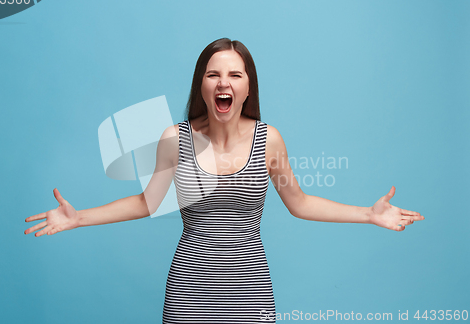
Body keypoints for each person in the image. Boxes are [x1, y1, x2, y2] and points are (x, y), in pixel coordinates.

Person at [24, 38, 425, 323]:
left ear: (248, 86)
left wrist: (368, 215)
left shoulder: (270, 141)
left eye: (235, 74)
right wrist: (79, 218)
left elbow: (300, 203)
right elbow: (148, 202)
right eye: (213, 74)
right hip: (188, 294)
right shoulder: (174, 139)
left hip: (251, 295)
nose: (223, 83)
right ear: (202, 84)